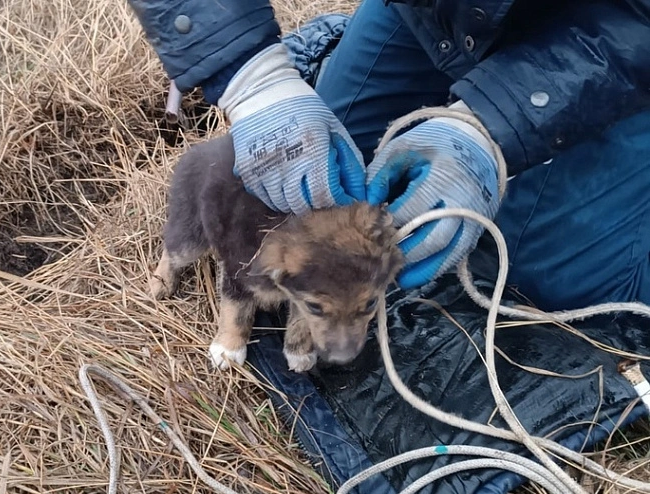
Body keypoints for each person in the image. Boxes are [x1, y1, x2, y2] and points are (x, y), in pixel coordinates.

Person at [126, 1, 650, 311]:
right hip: (435, 10)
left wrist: (493, 123)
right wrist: (253, 79)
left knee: (562, 283)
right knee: (321, 188)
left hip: (616, 26)